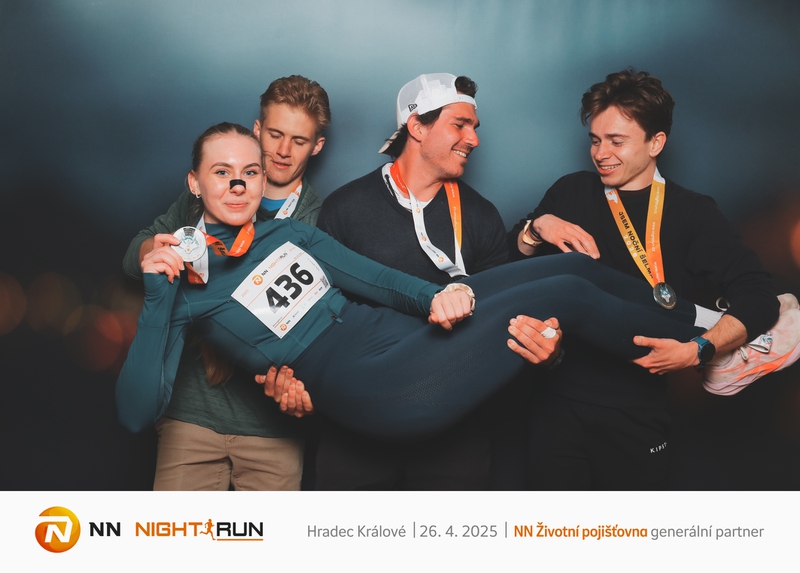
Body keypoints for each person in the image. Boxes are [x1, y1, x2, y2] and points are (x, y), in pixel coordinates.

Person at [116, 122, 764, 451]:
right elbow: (138, 412)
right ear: (195, 183)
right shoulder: (184, 285)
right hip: (373, 386)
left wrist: (435, 297)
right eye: (222, 172)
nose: (238, 183)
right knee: (564, 295)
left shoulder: (289, 235)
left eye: (250, 171)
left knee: (566, 269)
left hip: (401, 334)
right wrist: (155, 300)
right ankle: (725, 346)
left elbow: (375, 279)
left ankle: (718, 327)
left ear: (262, 181)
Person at [509, 68, 793, 490]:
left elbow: (759, 297)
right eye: (595, 140)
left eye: (616, 141)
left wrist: (698, 350)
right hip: (556, 403)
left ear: (656, 142)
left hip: (639, 413)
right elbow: (511, 268)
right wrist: (536, 227)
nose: (601, 153)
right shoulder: (571, 192)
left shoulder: (694, 212)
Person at [312, 73, 559, 490]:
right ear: (417, 126)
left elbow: (501, 314)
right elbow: (320, 314)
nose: (473, 139)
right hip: (357, 426)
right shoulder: (345, 208)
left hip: (454, 429)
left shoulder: (480, 215)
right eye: (459, 125)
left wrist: (543, 342)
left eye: (474, 127)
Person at [120, 75, 329, 490]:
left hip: (273, 430)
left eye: (299, 140)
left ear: (317, 146)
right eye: (274, 134)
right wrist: (151, 254)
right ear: (257, 129)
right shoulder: (206, 193)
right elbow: (135, 255)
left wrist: (308, 392)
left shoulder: (321, 220)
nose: (283, 151)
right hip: (189, 418)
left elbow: (326, 328)